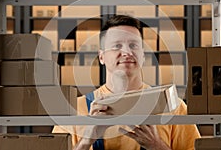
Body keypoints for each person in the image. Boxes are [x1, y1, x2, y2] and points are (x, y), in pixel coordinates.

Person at [53, 15, 201, 150]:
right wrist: (86, 141)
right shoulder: (73, 111)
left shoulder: (174, 107)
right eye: (117, 46)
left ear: (143, 56)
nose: (127, 52)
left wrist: (156, 145)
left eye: (133, 45)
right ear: (101, 57)